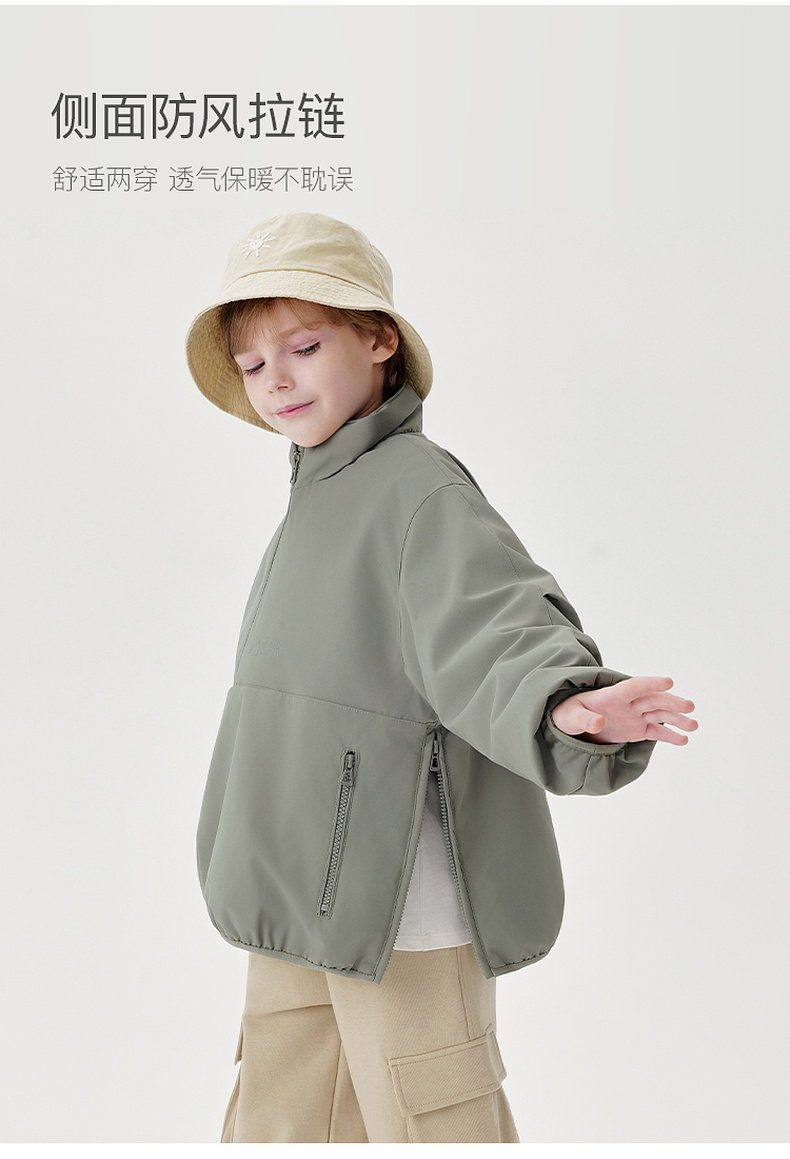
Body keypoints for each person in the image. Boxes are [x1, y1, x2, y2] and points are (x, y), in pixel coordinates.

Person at [185, 212, 697, 1144]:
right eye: (253, 364)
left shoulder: (419, 489)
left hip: (399, 903)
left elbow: (493, 621)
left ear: (380, 339)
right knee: (281, 1118)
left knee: (433, 1121)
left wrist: (561, 702)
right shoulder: (318, 495)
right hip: (296, 889)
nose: (278, 379)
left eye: (304, 346)